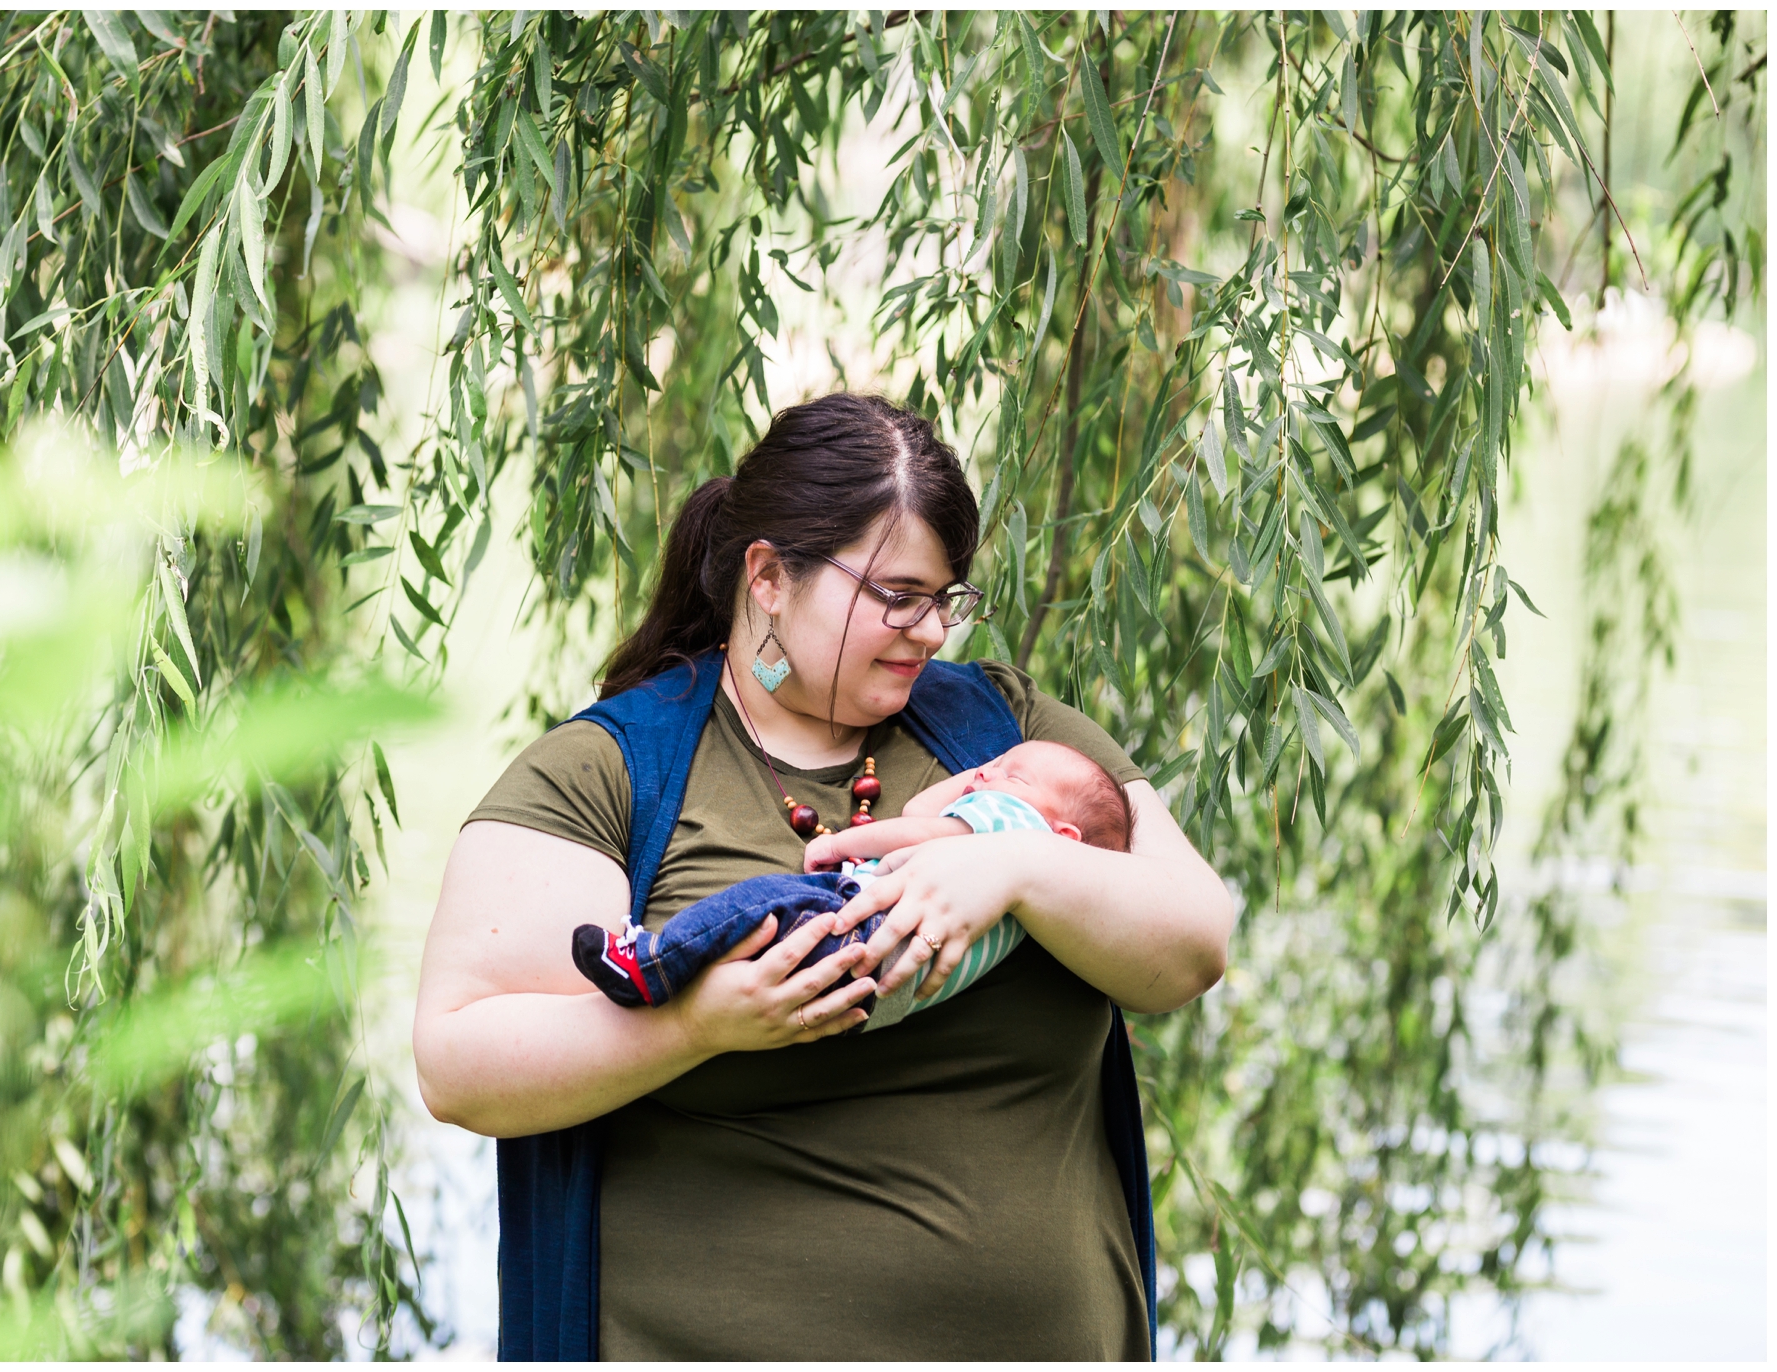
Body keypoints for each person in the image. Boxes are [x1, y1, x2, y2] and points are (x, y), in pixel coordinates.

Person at [412, 392, 1233, 1360]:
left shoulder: (1010, 737)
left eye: (946, 599)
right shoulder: (608, 769)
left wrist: (1012, 865)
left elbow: (1190, 945)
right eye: (895, 594)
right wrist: (696, 1024)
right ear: (767, 575)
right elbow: (460, 1067)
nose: (928, 630)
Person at [569, 740, 1134, 1025]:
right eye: (993, 764)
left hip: (862, 925)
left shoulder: (1016, 829)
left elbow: (917, 820)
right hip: (877, 994)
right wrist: (1001, 770)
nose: (988, 773)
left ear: (1065, 835)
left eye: (1014, 774)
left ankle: (650, 960)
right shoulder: (1044, 904)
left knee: (758, 904)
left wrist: (838, 846)